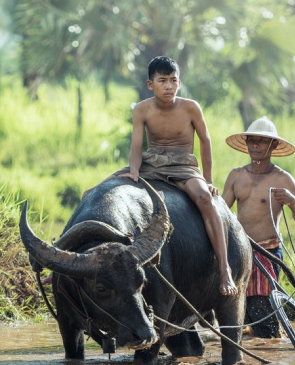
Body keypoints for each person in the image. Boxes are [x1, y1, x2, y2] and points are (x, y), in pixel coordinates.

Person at [81, 56, 238, 296]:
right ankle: (67, 262)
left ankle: (224, 269)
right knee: (89, 193)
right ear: (150, 84)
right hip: (151, 162)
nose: (169, 86)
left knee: (205, 199)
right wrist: (134, 171)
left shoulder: (190, 108)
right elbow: (136, 147)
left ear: (179, 83)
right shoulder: (142, 109)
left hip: (182, 164)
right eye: (162, 81)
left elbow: (205, 142)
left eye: (173, 80)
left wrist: (208, 180)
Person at [221, 115, 295, 338]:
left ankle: (269, 341)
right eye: (252, 140)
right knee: (236, 313)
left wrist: (291, 201)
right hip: (239, 251)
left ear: (274, 145)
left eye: (261, 141)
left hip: (267, 252)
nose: (255, 145)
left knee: (262, 312)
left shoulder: (283, 179)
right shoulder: (236, 176)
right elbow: (221, 213)